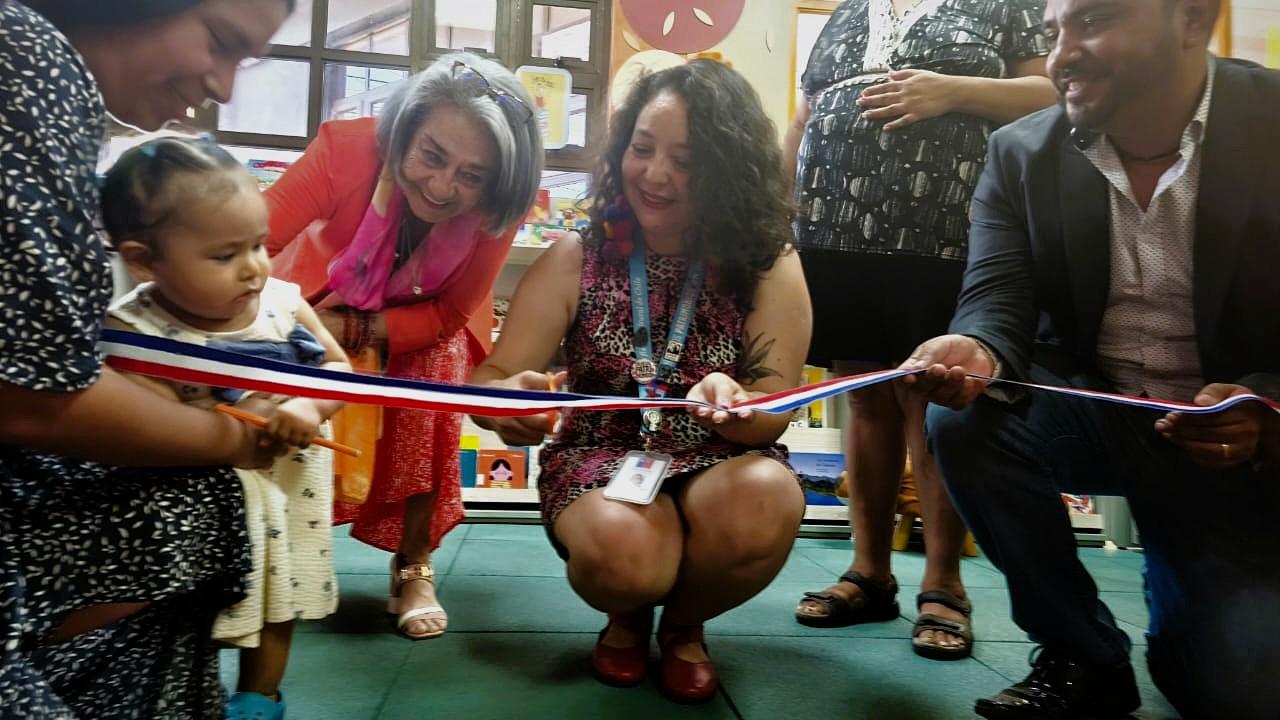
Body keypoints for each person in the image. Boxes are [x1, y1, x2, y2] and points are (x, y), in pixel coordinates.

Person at [903, 0, 1280, 717]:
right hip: (1095, 411)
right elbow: (997, 299)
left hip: (1235, 445)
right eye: (1053, 32)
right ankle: (1083, 655)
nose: (1061, 54)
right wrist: (975, 347)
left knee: (1234, 690)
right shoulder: (1021, 152)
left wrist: (1262, 406)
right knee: (970, 421)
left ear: (1195, 20)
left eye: (1094, 21)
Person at [469, 60, 812, 704]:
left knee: (768, 498)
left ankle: (683, 628)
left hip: (724, 459)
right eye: (642, 148)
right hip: (601, 459)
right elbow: (492, 378)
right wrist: (509, 401)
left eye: (686, 160)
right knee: (623, 559)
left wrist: (741, 404)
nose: (656, 175)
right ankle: (627, 615)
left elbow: (775, 408)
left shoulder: (768, 263)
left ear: (729, 170)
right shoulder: (577, 254)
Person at [0, 1, 292, 717]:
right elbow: (33, 397)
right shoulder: (28, 56)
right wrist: (232, 438)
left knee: (198, 503)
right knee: (197, 502)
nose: (223, 86)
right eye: (220, 43)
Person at [786, 0, 1056, 660]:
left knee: (932, 398)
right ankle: (869, 573)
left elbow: (1051, 95)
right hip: (837, 233)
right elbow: (805, 115)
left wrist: (952, 91)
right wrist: (776, 206)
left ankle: (945, 583)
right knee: (865, 396)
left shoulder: (1004, 6)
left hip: (947, 234)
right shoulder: (848, 11)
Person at [264, 52, 543, 640]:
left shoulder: (499, 211)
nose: (442, 187)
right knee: (278, 371)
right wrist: (312, 325)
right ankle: (272, 551)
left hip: (417, 327)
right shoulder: (345, 149)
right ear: (403, 130)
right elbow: (253, 243)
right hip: (309, 305)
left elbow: (448, 315)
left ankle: (414, 563)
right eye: (431, 156)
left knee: (434, 370)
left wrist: (362, 333)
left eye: (472, 176)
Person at [102, 136, 351, 720]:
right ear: (143, 259)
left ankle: (261, 697)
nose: (254, 267)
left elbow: (339, 369)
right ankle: (192, 693)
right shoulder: (133, 329)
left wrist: (308, 408)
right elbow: (144, 425)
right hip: (200, 505)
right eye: (224, 255)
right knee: (192, 607)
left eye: (259, 244)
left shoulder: (284, 304)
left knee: (280, 600)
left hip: (289, 491)